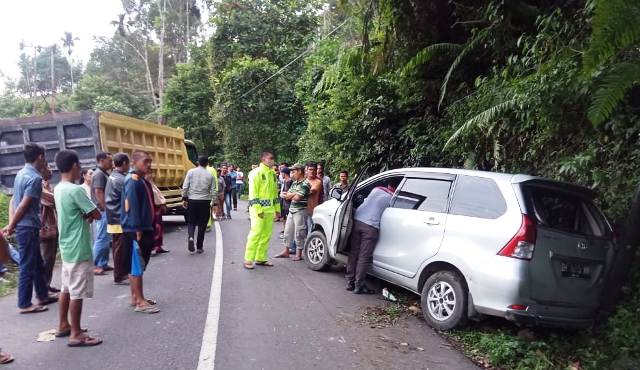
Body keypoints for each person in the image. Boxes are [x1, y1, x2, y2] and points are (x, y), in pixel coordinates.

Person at [53, 150, 103, 347]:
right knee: (77, 292)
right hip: (78, 247)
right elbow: (96, 214)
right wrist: (89, 214)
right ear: (74, 165)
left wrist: (86, 215)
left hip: (66, 246)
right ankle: (76, 333)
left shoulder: (58, 188)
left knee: (66, 288)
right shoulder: (76, 190)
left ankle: (63, 324)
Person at [2, 143, 57, 314]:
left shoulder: (21, 173)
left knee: (38, 263)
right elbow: (23, 206)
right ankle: (24, 303)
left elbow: (16, 202)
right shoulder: (34, 179)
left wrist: (13, 224)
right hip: (27, 226)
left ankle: (42, 295)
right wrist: (11, 226)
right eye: (45, 157)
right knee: (27, 264)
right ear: (40, 157)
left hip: (26, 226)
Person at [121, 150, 160, 314]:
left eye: (150, 161)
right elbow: (132, 206)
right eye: (145, 161)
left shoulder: (141, 179)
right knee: (137, 265)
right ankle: (140, 301)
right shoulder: (133, 180)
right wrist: (137, 227)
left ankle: (136, 297)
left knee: (137, 264)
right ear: (134, 162)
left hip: (143, 227)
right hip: (137, 229)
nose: (149, 165)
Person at [346, 182, 397, 294]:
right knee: (363, 257)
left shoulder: (376, 189)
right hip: (370, 227)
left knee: (354, 253)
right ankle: (358, 286)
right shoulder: (394, 197)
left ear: (389, 185)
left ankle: (350, 282)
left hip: (358, 220)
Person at [244, 151, 280, 269]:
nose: (273, 160)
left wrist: (277, 209)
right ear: (264, 159)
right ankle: (248, 259)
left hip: (269, 210)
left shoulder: (272, 174)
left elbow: (275, 193)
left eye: (273, 158)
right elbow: (253, 193)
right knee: (256, 233)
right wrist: (258, 209)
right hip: (257, 210)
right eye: (271, 158)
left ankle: (261, 258)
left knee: (266, 235)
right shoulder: (256, 173)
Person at [275, 164, 310, 260]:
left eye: (293, 171)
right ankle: (286, 251)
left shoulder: (306, 184)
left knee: (299, 232)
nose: (292, 174)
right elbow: (283, 194)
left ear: (299, 171)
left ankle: (299, 254)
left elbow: (298, 198)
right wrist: (293, 195)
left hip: (301, 211)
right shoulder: (294, 183)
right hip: (292, 210)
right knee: (287, 231)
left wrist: (291, 195)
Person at [182, 155, 216, 253]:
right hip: (205, 201)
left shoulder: (191, 172)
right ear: (207, 163)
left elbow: (185, 186)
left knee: (191, 221)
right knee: (202, 224)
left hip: (192, 200)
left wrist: (184, 198)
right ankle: (199, 246)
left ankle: (191, 237)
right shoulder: (210, 175)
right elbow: (213, 190)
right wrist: (214, 202)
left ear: (197, 162)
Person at [105, 152, 130, 285]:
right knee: (120, 247)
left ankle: (120, 272)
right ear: (125, 163)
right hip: (119, 216)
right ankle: (120, 274)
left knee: (117, 246)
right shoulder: (121, 179)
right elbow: (128, 198)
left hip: (112, 215)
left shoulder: (113, 176)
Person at [91, 152, 114, 276]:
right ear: (101, 160)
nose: (111, 163)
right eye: (109, 160)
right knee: (102, 237)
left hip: (104, 210)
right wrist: (106, 209)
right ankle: (95, 265)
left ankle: (103, 263)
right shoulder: (99, 174)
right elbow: (99, 192)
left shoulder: (103, 173)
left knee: (106, 238)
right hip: (102, 210)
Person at [39, 164, 59, 293]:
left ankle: (46, 284)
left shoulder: (47, 184)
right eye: (48, 168)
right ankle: (43, 288)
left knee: (51, 258)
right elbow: (51, 200)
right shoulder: (39, 185)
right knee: (46, 258)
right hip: (44, 227)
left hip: (51, 225)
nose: (51, 170)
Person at [146, 169, 169, 255]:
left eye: (151, 174)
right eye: (148, 174)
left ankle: (158, 246)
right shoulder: (144, 184)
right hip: (152, 210)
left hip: (157, 209)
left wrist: (163, 204)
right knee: (154, 228)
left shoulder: (151, 183)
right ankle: (152, 247)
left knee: (159, 227)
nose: (150, 175)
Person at [305, 162, 323, 231]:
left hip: (311, 210)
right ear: (307, 170)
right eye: (310, 169)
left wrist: (298, 192)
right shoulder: (304, 180)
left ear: (316, 171)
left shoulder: (318, 181)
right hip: (302, 209)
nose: (312, 171)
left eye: (314, 170)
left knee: (310, 231)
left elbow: (310, 192)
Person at [206, 161, 219, 230]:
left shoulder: (197, 170)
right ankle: (208, 224)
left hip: (202, 192)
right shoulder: (212, 169)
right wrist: (216, 190)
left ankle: (207, 223)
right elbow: (215, 179)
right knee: (210, 206)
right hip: (211, 191)